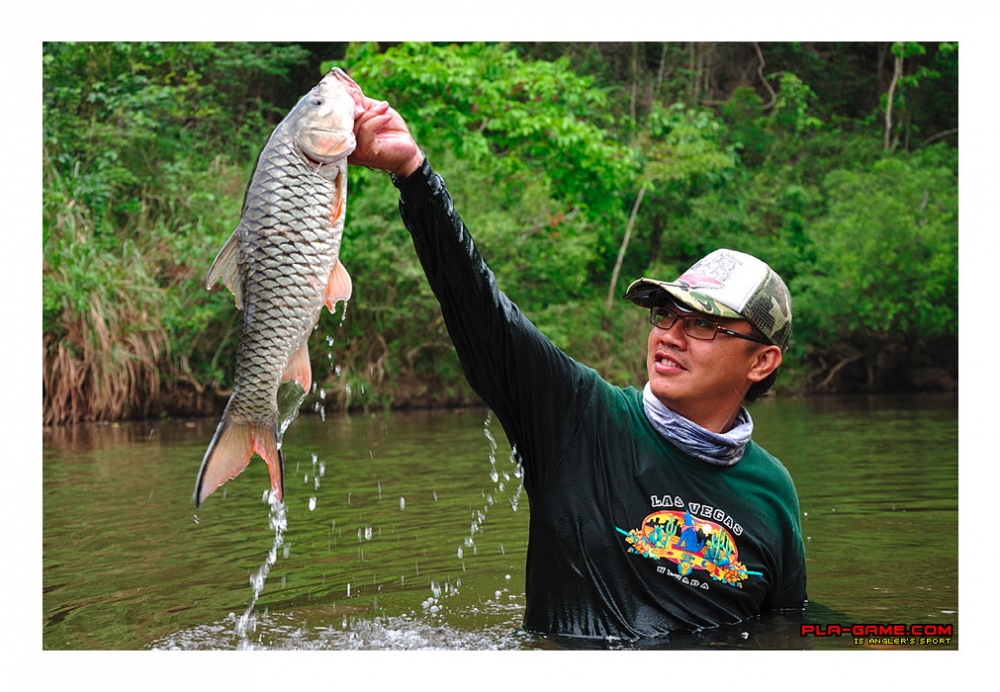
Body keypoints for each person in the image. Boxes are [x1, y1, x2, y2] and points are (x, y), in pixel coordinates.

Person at [348, 89, 807, 643]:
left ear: (762, 361)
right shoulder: (579, 417)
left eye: (703, 324)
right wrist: (414, 175)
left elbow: (785, 630)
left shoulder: (771, 491)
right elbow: (484, 314)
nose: (670, 335)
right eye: (666, 314)